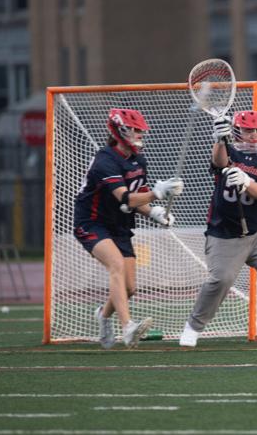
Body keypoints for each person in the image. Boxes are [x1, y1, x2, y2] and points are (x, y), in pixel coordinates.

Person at [179, 110, 257, 347]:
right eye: (249, 130)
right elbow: (218, 161)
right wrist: (219, 139)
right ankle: (193, 327)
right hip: (225, 233)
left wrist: (247, 181)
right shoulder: (229, 152)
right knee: (220, 280)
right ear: (237, 131)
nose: (254, 135)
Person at [74, 108, 184, 349]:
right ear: (119, 131)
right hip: (92, 222)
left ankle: (103, 316)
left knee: (129, 287)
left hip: (119, 224)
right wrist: (157, 194)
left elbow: (138, 199)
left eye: (139, 130)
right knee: (116, 265)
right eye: (133, 129)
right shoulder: (105, 160)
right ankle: (127, 327)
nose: (138, 134)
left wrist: (154, 211)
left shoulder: (138, 159)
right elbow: (125, 199)